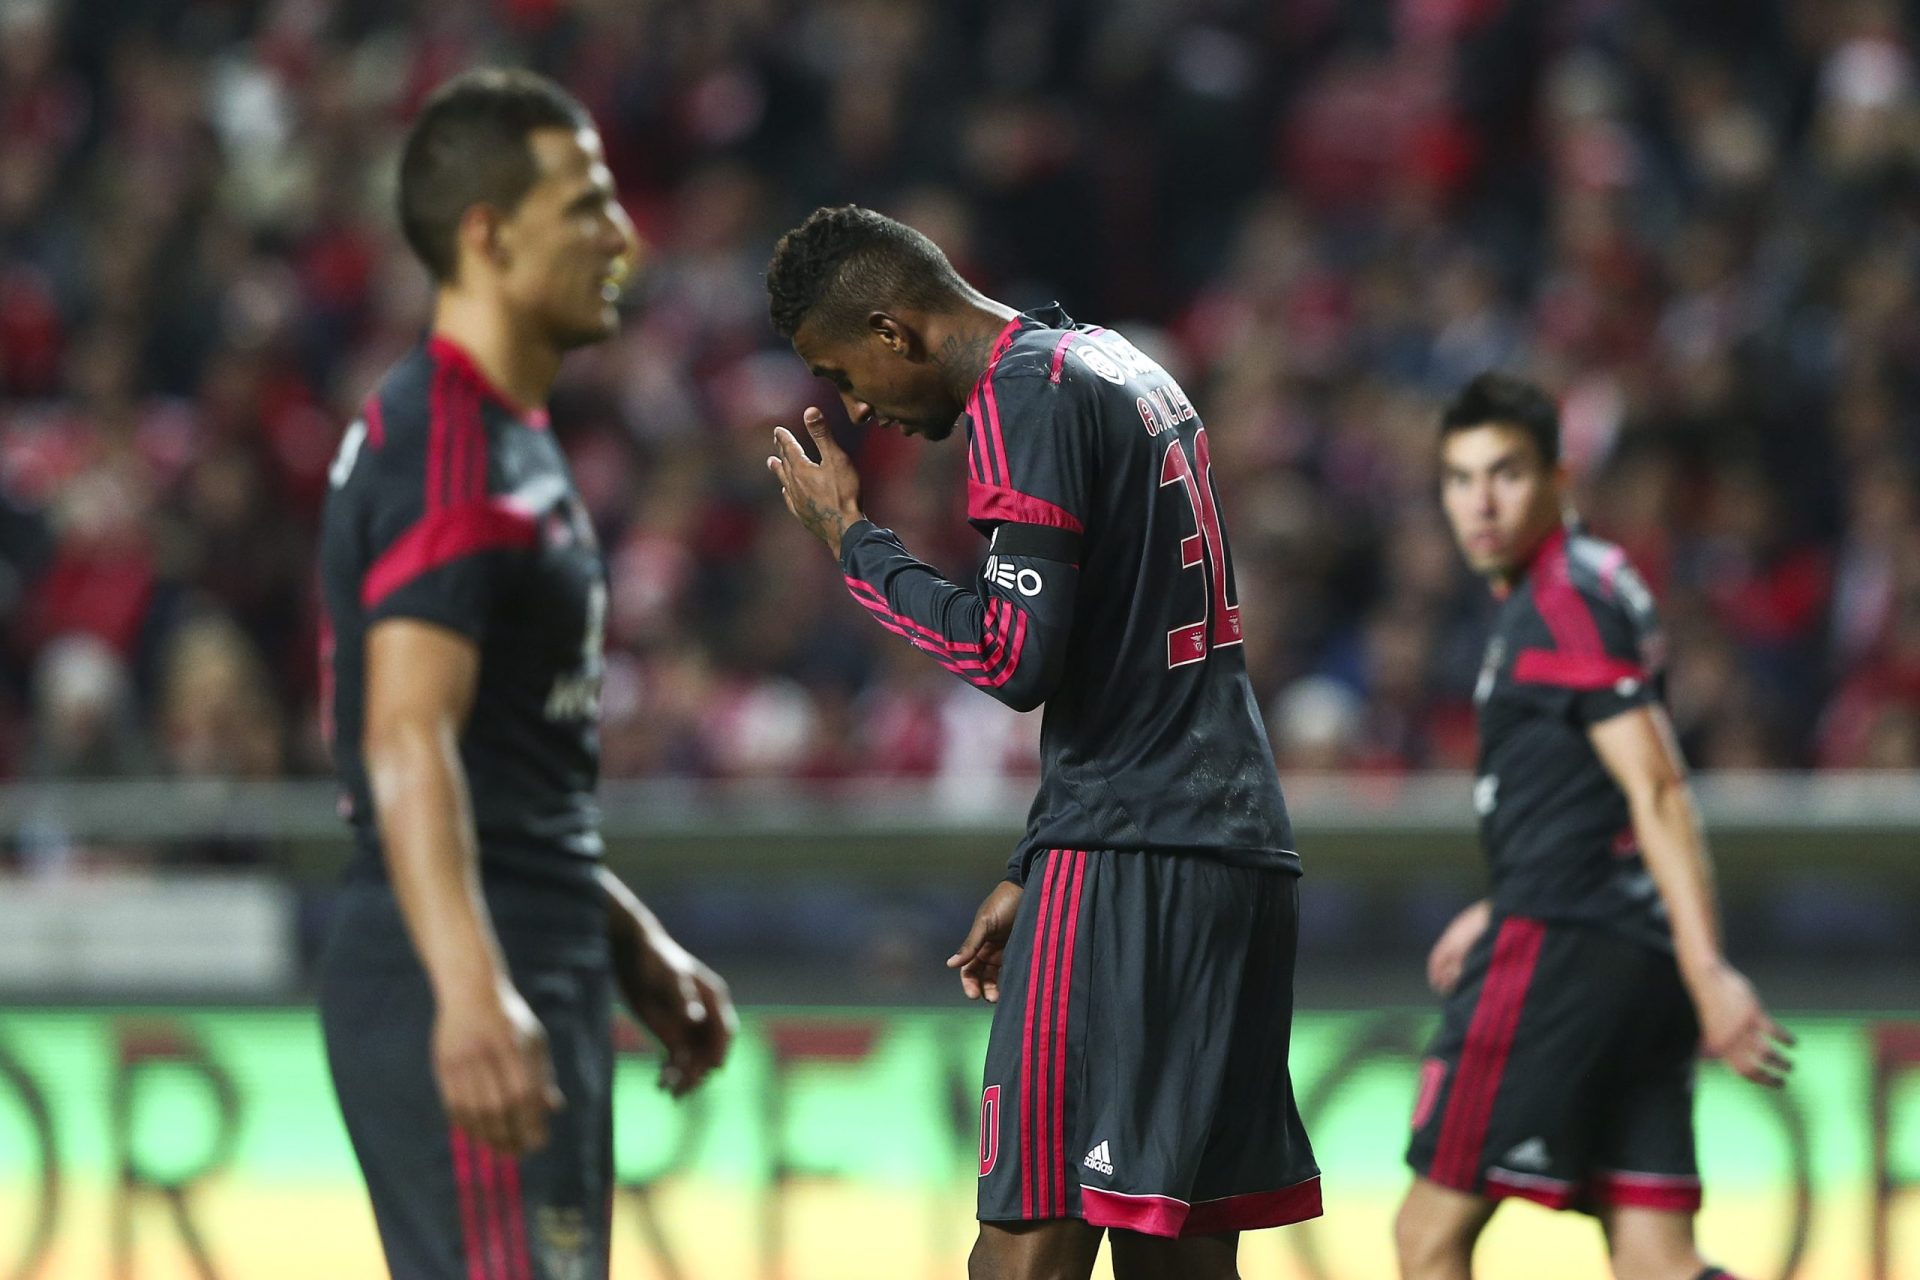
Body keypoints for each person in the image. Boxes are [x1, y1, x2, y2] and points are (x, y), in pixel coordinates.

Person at [762, 205, 1321, 1280]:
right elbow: (1136, 665)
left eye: (848, 373)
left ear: (893, 327)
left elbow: (1014, 658)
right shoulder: (1119, 364)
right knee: (1181, 1261)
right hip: (1231, 845)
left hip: (1132, 859)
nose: (860, 408)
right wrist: (1035, 857)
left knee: (1026, 1251)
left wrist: (852, 543)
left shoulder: (1026, 394)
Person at [316, 69, 735, 1280]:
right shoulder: (452, 447)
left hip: (526, 948)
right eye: (587, 205)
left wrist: (624, 939)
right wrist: (470, 986)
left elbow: (503, 764)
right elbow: (408, 736)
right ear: (488, 236)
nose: (625, 236)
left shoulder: (510, 438)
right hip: (466, 961)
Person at [1395, 373, 1795, 1280]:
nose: (1480, 503)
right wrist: (1505, 904)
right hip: (1620, 945)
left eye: (1506, 473)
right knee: (1656, 1257)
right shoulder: (1596, 581)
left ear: (1560, 481)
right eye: (1459, 479)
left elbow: (1655, 787)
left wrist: (1710, 970)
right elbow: (1599, 800)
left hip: (1563, 951)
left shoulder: (1561, 604)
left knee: (1426, 1238)